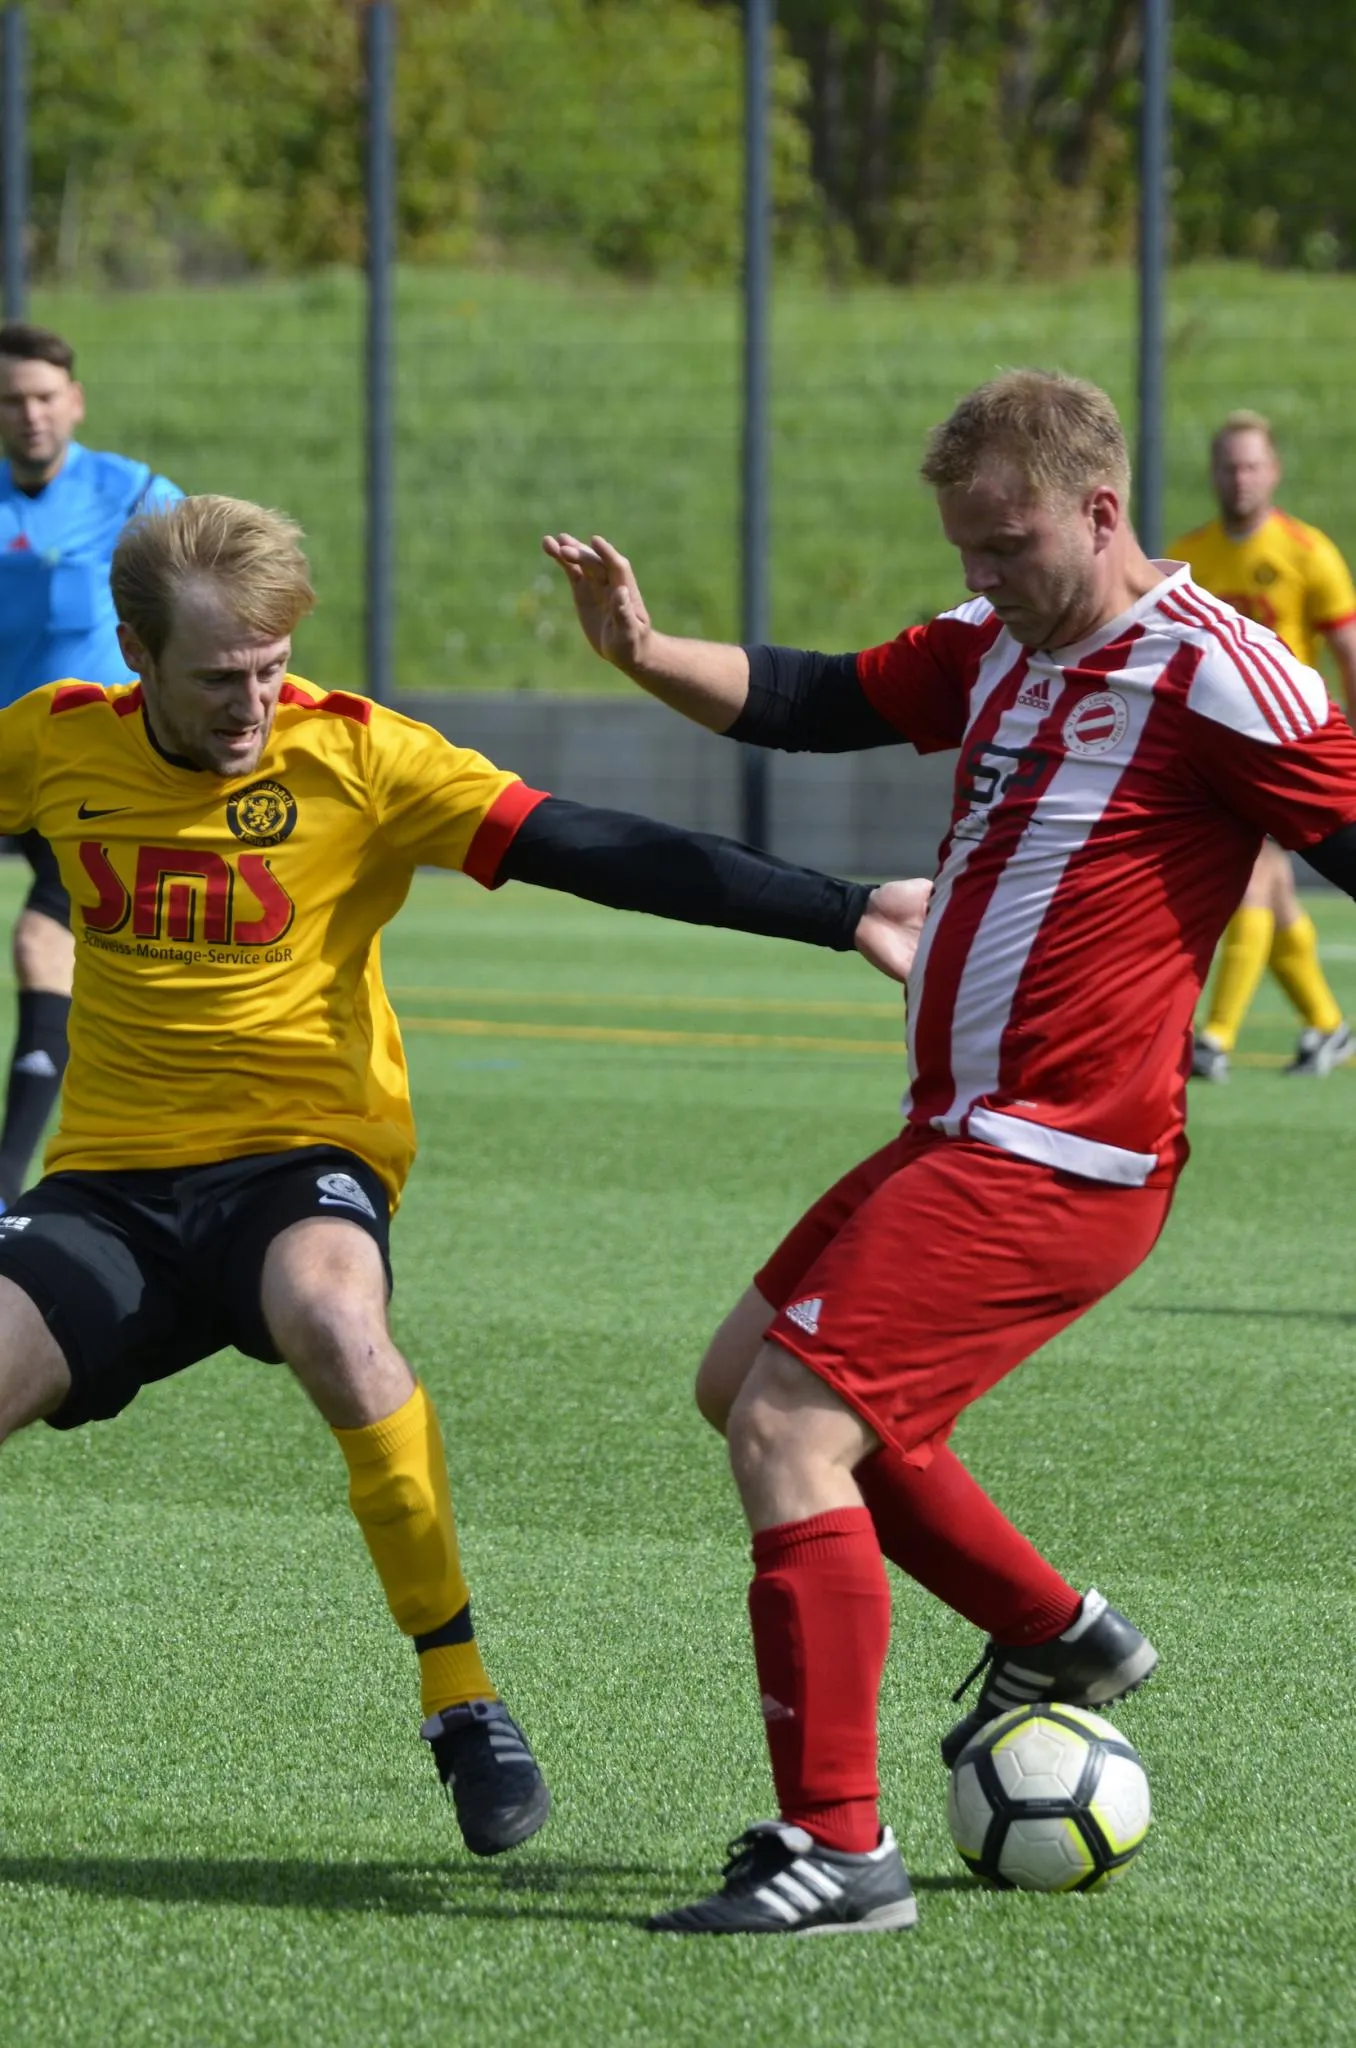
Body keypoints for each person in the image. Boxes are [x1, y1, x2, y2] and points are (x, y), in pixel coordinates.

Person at [545, 369, 1356, 1935]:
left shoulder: (1222, 672)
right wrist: (642, 650)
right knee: (740, 1380)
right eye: (966, 548)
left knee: (789, 1428)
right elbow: (815, 700)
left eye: (1007, 544)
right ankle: (1058, 1633)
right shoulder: (997, 640)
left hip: (1065, 1154)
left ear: (1101, 512)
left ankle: (839, 1850)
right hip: (965, 1131)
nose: (981, 575)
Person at [0, 493, 924, 1862]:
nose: (254, 703)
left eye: (271, 667)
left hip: (301, 1157)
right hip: (111, 1186)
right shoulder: (50, 741)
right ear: (137, 653)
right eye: (218, 678)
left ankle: (461, 1694)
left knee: (334, 1315)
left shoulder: (359, 756)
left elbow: (590, 845)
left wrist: (839, 910)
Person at [0, 321, 183, 1209]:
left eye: (44, 396)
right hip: (6, 760)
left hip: (86, 769)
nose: (30, 414)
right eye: (12, 400)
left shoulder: (135, 495)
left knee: (44, 944)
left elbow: (210, 586)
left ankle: (6, 1188)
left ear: (74, 402)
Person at [1170, 411, 1356, 1081]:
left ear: (1273, 472)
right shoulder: (1189, 556)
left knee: (1255, 877)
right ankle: (1327, 1026)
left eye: (1251, 466)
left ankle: (1215, 1039)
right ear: (1213, 474)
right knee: (1271, 891)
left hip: (1285, 746)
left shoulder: (1308, 552)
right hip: (1212, 750)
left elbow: (1348, 650)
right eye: (1228, 466)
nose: (1239, 479)